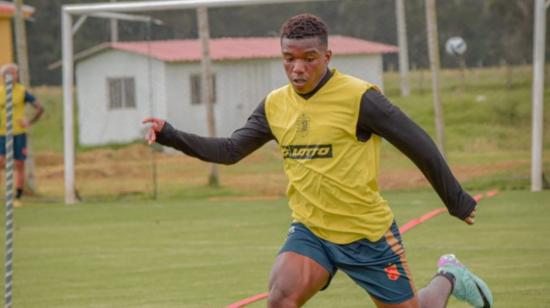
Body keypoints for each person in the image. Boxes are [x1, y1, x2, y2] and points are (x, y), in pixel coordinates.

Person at [143, 14, 493, 308]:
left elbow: (418, 144)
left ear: (327, 55)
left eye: (308, 58)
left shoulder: (360, 98)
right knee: (280, 299)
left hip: (366, 235)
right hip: (311, 230)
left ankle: (449, 274)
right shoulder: (274, 105)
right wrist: (171, 134)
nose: (297, 69)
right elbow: (231, 150)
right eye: (288, 58)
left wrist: (455, 199)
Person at [0, 63, 44, 205]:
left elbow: (39, 108)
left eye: (14, 73)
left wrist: (29, 122)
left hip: (18, 133)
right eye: (9, 74)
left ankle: (18, 196)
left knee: (19, 164)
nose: (13, 76)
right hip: (2, 134)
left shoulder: (22, 91)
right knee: (1, 162)